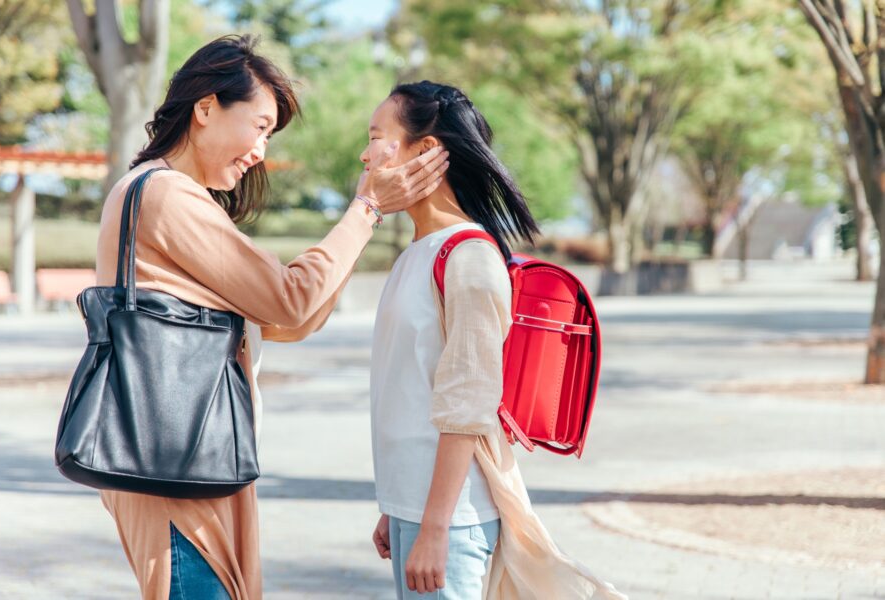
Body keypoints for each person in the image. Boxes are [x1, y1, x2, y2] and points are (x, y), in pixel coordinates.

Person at [94, 36, 447, 599]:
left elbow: (291, 319)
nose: (260, 149)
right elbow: (289, 301)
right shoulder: (164, 194)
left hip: (189, 454)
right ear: (205, 108)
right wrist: (368, 209)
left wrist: (360, 224)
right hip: (177, 462)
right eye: (259, 125)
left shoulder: (170, 195)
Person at [364, 81, 626, 599]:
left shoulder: (469, 259)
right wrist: (395, 506)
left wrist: (436, 527)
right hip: (414, 508)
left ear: (427, 151)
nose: (364, 152)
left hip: (452, 519)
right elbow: (409, 390)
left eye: (377, 136)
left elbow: (468, 404)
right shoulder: (416, 253)